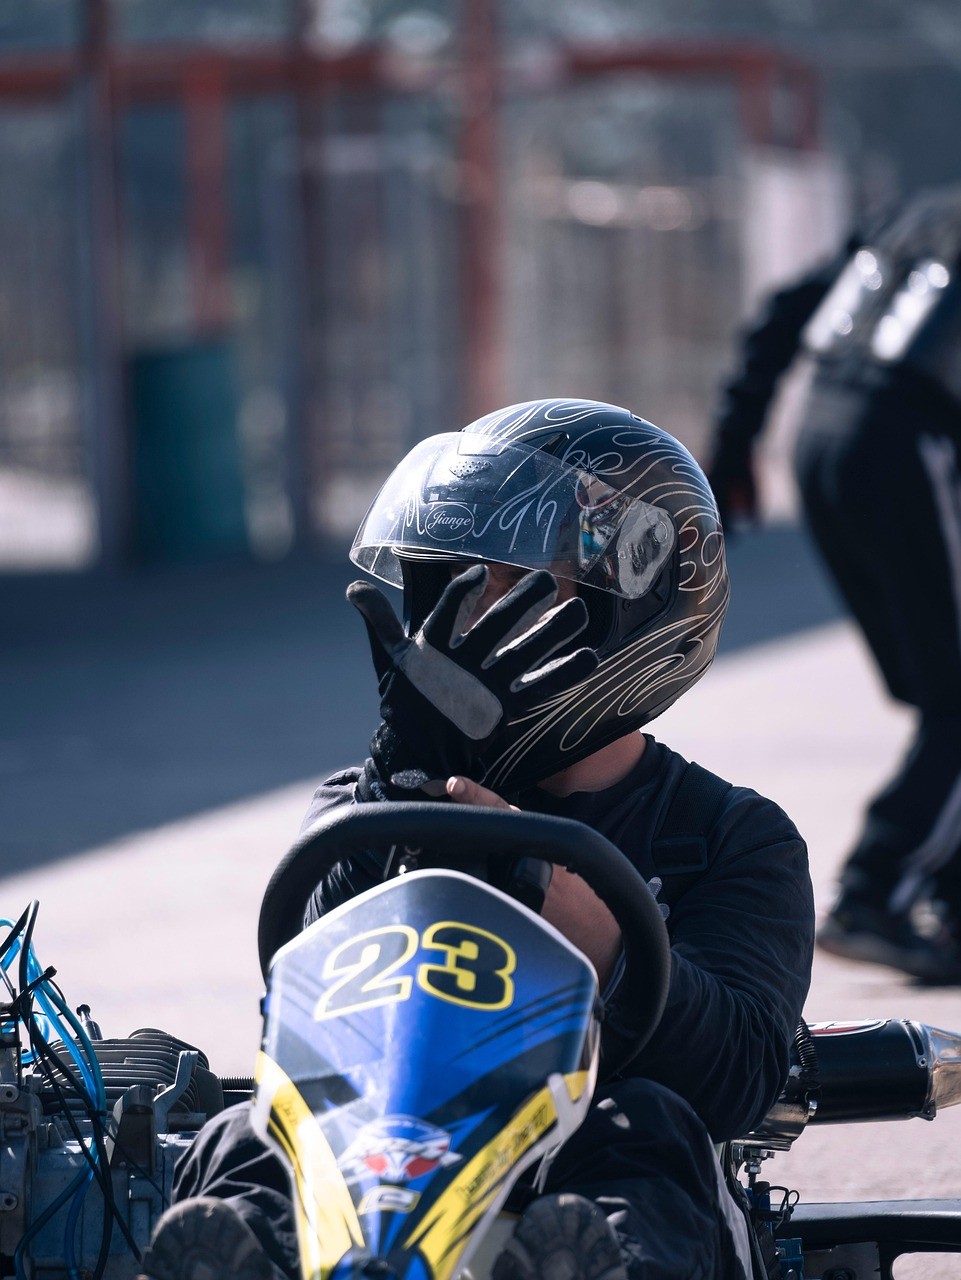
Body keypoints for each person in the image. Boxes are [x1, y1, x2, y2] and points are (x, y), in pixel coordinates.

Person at [139, 399, 814, 1280]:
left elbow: (737, 1079)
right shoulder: (360, 800)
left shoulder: (730, 837)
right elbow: (300, 1007)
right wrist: (401, 786)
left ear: (635, 609)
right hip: (388, 1149)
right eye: (459, 579)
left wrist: (583, 920)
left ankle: (587, 1264)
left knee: (647, 1130)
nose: (471, 613)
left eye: (516, 582)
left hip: (581, 1163)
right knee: (246, 1129)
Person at [705, 185, 961, 984]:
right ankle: (875, 888)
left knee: (941, 686)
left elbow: (786, 305)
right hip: (905, 437)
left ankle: (942, 892)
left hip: (822, 435)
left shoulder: (918, 211)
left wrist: (736, 439)